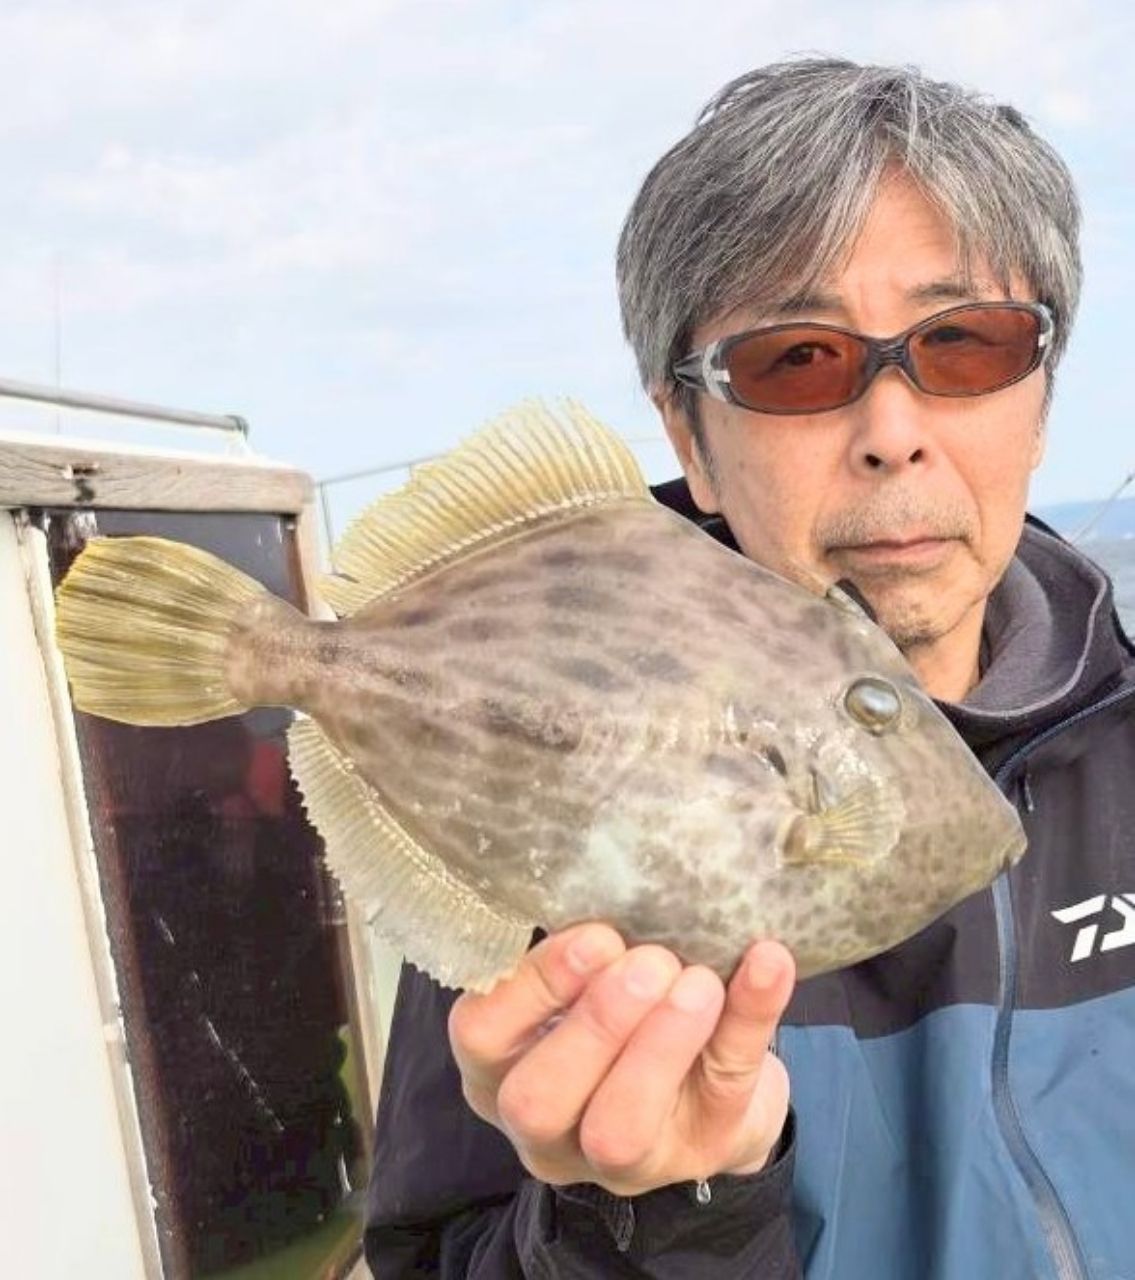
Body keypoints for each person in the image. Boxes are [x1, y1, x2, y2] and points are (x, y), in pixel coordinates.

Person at [363, 57, 1135, 1278]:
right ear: (690, 438)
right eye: (797, 361)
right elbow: (432, 1254)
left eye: (968, 343)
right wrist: (658, 1219)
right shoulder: (544, 794)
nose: (892, 435)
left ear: (1040, 399)